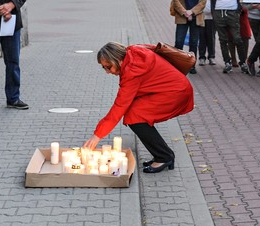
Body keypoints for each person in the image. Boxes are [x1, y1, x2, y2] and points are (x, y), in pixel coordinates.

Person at [83, 42, 194, 173]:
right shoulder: (133, 51)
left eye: (108, 67)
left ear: (118, 60)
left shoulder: (132, 71)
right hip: (171, 89)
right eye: (104, 68)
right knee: (133, 114)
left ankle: (164, 157)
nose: (107, 72)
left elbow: (120, 106)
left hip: (174, 93)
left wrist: (97, 135)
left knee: (135, 117)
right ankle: (162, 155)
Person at [212, 0, 249, 74]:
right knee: (223, 40)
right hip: (218, 11)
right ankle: (227, 63)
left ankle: (243, 62)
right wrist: (214, 12)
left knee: (237, 38)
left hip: (233, 11)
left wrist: (238, 10)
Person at [172, 0, 206, 74]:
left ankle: (191, 65)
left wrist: (192, 12)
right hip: (182, 18)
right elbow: (176, 1)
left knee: (193, 42)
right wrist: (185, 12)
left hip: (196, 18)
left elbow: (203, 2)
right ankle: (178, 64)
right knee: (179, 42)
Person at [198, 0, 217, 66]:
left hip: (211, 14)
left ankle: (211, 57)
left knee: (211, 36)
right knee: (201, 37)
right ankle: (202, 57)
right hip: (200, 14)